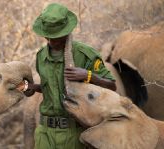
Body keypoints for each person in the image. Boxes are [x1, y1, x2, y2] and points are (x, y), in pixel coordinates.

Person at [27, 3, 116, 149]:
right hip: (45, 133)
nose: (51, 41)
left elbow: (112, 86)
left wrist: (88, 76)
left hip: (74, 132)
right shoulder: (41, 56)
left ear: (66, 31)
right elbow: (51, 89)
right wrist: (30, 88)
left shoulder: (85, 54)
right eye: (48, 36)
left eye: (56, 36)